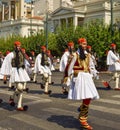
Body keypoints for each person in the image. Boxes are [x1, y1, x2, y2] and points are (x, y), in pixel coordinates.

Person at [67, 38, 99, 130]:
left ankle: (82, 109)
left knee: (89, 96)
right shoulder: (75, 55)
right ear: (80, 44)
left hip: (87, 77)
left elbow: (91, 66)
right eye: (84, 44)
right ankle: (83, 119)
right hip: (79, 78)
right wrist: (68, 78)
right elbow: (70, 67)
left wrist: (94, 73)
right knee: (87, 97)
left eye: (86, 44)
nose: (85, 45)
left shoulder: (88, 55)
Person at [0, 41, 30, 111]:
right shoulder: (11, 54)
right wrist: (5, 75)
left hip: (21, 71)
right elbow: (6, 64)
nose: (18, 47)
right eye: (17, 45)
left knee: (21, 89)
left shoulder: (22, 54)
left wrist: (28, 71)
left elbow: (25, 62)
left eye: (19, 45)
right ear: (15, 46)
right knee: (19, 87)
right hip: (15, 71)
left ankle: (18, 105)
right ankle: (12, 97)